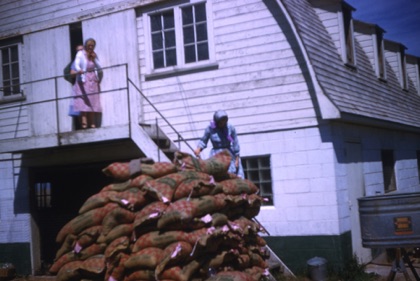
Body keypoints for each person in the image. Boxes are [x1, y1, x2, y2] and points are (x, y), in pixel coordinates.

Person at [194, 110, 245, 178]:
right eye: (221, 121)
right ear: (217, 121)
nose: (223, 123)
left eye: (224, 121)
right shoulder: (210, 128)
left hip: (228, 152)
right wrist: (198, 149)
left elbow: (235, 142)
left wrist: (237, 158)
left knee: (232, 171)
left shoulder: (230, 128)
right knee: (216, 171)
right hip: (216, 153)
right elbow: (203, 141)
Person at [72, 38, 102, 129]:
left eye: (92, 46)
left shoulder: (93, 55)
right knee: (83, 102)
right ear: (86, 46)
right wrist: (79, 70)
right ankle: (84, 123)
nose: (90, 47)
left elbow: (100, 67)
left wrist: (95, 58)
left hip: (92, 80)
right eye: (89, 45)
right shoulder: (80, 54)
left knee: (93, 102)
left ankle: (92, 122)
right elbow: (76, 64)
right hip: (83, 79)